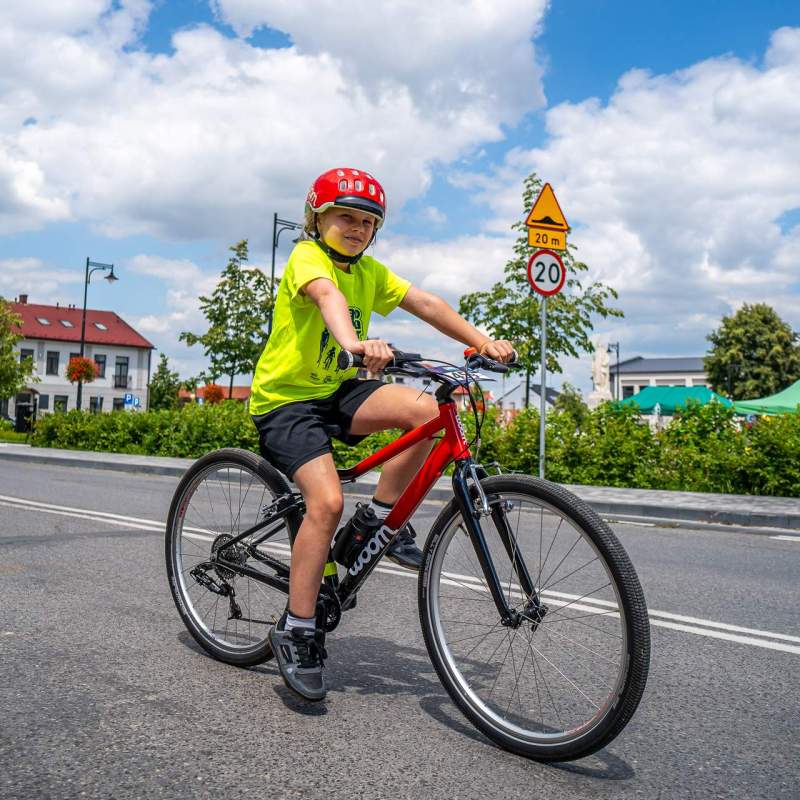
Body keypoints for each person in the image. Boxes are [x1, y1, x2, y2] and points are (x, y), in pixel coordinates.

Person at [249, 167, 514, 701]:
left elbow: (428, 305)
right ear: (317, 218)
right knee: (324, 503)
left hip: (338, 391)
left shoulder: (370, 271)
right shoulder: (309, 258)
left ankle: (376, 517)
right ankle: (298, 629)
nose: (356, 228)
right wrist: (356, 342)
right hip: (286, 401)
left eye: (367, 222)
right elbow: (328, 300)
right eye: (345, 217)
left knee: (425, 410)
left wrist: (484, 341)